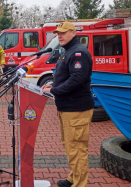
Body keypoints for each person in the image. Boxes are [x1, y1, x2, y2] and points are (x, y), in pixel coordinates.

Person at [41, 22, 94, 187]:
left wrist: (56, 91)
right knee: (70, 146)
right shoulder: (68, 51)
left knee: (77, 149)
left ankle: (79, 184)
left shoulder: (78, 52)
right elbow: (66, 76)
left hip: (76, 109)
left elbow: (77, 79)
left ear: (73, 32)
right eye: (58, 33)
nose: (59, 36)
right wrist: (53, 86)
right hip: (68, 108)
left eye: (63, 33)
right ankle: (73, 178)